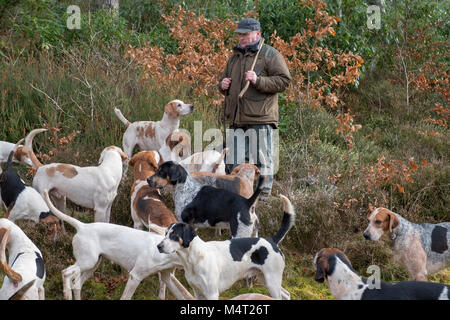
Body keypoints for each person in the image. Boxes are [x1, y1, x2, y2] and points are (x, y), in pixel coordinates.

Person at [219, 18, 291, 198]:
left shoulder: (270, 54)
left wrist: (258, 80)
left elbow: (284, 81)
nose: (241, 37)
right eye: (239, 34)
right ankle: (238, 197)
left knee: (262, 161)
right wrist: (222, 85)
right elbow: (223, 82)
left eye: (245, 34)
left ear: (257, 34)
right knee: (234, 162)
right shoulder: (234, 58)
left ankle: (264, 198)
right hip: (236, 118)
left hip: (261, 118)